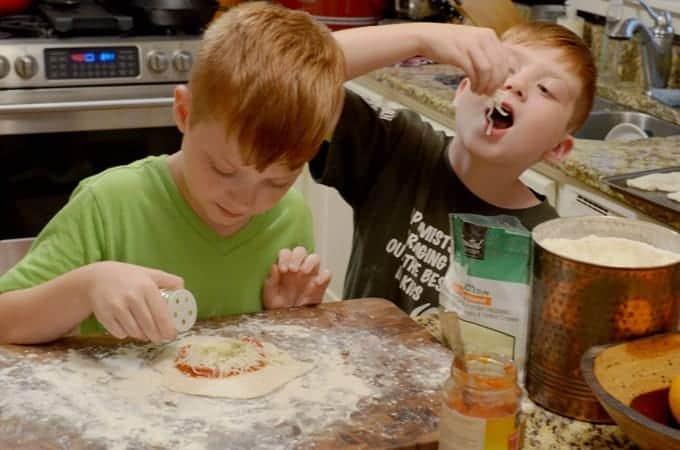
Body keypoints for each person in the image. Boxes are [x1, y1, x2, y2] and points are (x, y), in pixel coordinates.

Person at [0, 2, 346, 345]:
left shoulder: (290, 216)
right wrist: (85, 287)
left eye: (276, 182)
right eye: (223, 169)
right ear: (183, 112)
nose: (245, 200)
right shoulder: (108, 205)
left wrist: (281, 317)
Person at [311, 21, 596, 316]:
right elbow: (295, 69)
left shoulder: (547, 242)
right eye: (506, 68)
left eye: (546, 89)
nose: (516, 85)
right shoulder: (397, 148)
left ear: (557, 148)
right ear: (461, 91)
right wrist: (420, 38)